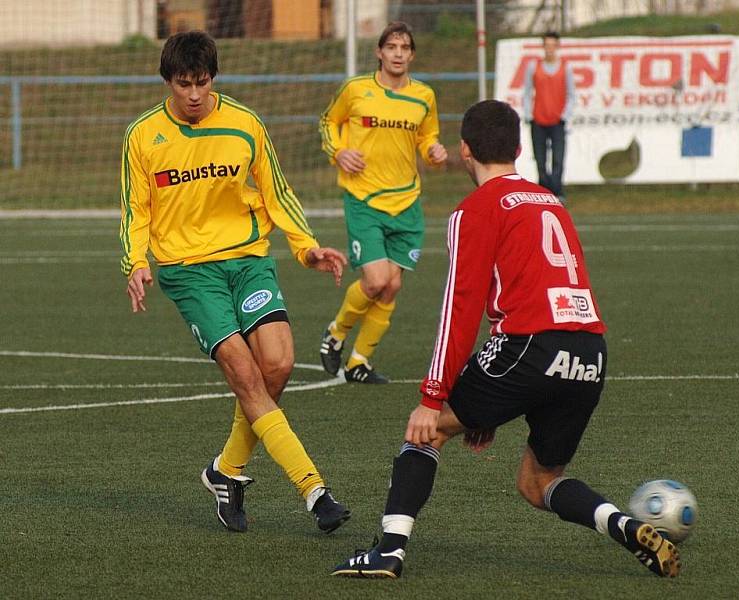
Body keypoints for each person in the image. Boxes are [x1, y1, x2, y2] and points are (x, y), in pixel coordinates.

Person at [331, 100, 681, 579]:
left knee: (428, 430)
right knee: (538, 482)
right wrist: (488, 397)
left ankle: (388, 551)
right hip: (589, 352)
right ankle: (621, 524)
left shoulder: (474, 209)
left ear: (464, 150)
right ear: (519, 148)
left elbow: (460, 309)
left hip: (528, 343)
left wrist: (432, 397)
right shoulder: (550, 200)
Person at [120, 31, 351, 535]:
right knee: (246, 377)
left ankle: (225, 471)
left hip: (248, 261)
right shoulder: (142, 135)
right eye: (184, 85)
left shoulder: (246, 124)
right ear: (168, 82)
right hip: (188, 271)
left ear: (213, 79)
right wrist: (135, 261)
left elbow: (277, 192)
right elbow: (135, 209)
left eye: (202, 83)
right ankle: (315, 492)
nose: (195, 95)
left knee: (279, 364)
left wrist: (306, 246)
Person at [318, 21, 448, 384]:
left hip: (407, 202)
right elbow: (328, 122)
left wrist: (435, 153)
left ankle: (359, 362)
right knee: (375, 281)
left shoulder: (424, 96)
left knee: (392, 286)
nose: (398, 54)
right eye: (391, 47)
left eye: (404, 48)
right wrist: (339, 152)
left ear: (412, 55)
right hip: (365, 199)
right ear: (379, 52)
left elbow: (428, 138)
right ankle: (336, 333)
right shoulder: (356, 89)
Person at [522, 31, 575, 201]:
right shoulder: (534, 67)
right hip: (538, 120)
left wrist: (564, 116)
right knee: (540, 160)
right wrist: (529, 114)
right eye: (547, 45)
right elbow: (527, 92)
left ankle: (557, 191)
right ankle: (543, 191)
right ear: (543, 47)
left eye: (553, 46)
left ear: (558, 47)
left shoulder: (565, 68)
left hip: (557, 122)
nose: (550, 49)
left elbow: (572, 94)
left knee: (558, 159)